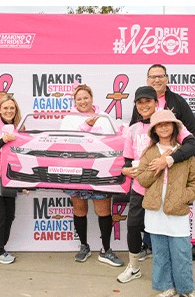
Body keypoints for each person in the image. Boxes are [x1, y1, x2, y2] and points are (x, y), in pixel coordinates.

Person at [118, 86, 195, 284]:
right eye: (140, 102)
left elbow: (193, 145)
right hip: (141, 187)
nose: (144, 105)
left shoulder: (168, 124)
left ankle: (173, 275)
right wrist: (125, 170)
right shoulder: (132, 130)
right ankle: (134, 267)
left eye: (148, 101)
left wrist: (168, 160)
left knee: (164, 234)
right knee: (133, 226)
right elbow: (127, 161)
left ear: (157, 103)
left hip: (167, 189)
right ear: (136, 106)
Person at [135, 110, 195, 297]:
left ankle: (186, 289)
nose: (164, 127)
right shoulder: (149, 153)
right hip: (155, 212)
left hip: (177, 209)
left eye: (167, 123)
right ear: (154, 129)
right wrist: (157, 168)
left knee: (181, 251)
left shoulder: (183, 152)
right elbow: (142, 179)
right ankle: (166, 287)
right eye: (159, 125)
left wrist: (186, 196)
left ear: (174, 127)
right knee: (160, 253)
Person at [68, 84, 125, 267]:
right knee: (79, 210)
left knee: (103, 211)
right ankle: (84, 246)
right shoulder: (69, 118)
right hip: (76, 171)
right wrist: (85, 126)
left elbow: (114, 140)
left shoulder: (105, 117)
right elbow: (65, 141)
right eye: (79, 99)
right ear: (74, 101)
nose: (83, 101)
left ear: (92, 98)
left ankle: (105, 250)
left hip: (101, 170)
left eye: (86, 97)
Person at [131, 64, 195, 138]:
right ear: (147, 81)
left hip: (173, 148)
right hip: (145, 148)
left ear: (166, 80)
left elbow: (192, 131)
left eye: (160, 76)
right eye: (153, 77)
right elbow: (133, 130)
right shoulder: (140, 104)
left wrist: (184, 149)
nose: (157, 80)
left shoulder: (178, 101)